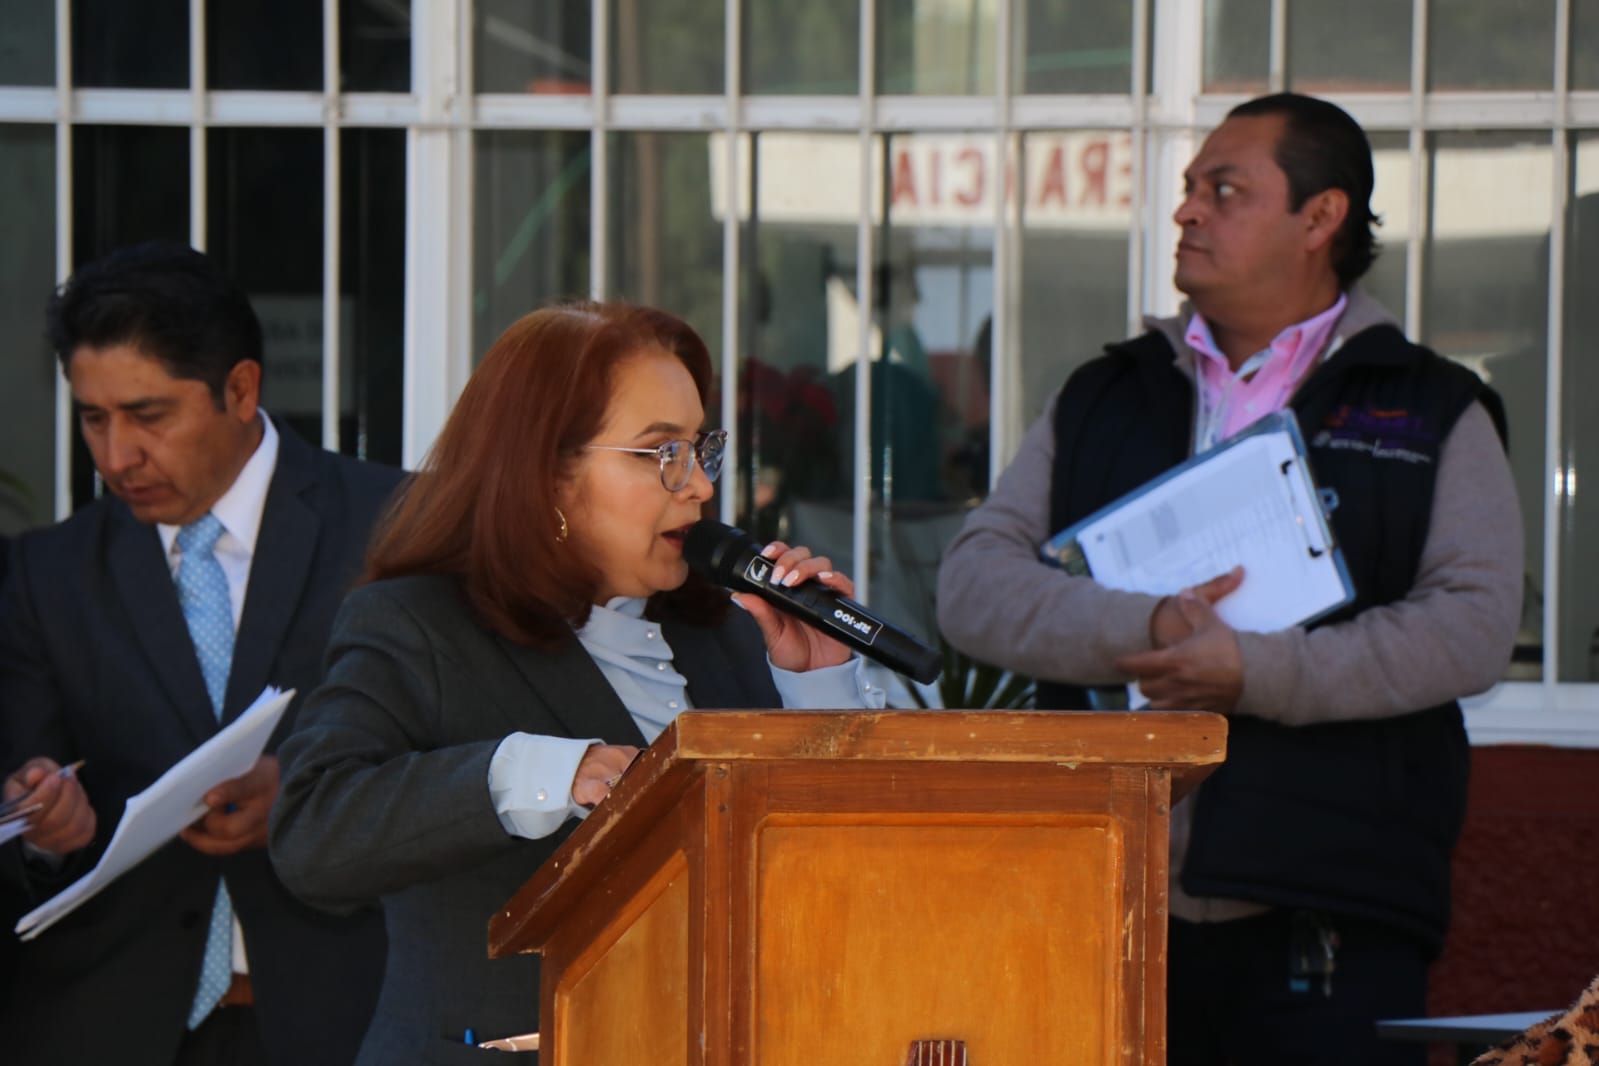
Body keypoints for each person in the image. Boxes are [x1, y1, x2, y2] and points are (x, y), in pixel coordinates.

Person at [936, 93, 1523, 1065]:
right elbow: (972, 586)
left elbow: (1472, 626)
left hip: (1326, 920)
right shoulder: (1106, 393)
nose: (1187, 212)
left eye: (1224, 189)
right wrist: (1147, 621)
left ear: (1320, 218)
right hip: (1092, 900)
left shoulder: (1431, 407)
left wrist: (1257, 672)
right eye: (1188, 189)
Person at [268, 301, 885, 1064]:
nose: (697, 486)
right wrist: (539, 772)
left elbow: (822, 885)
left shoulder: (725, 634)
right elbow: (313, 836)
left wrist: (817, 687)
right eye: (659, 453)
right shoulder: (417, 624)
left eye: (700, 448)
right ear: (548, 475)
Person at [0, 242, 400, 1066]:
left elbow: (462, 749)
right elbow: (26, 797)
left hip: (350, 1018)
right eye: (93, 418)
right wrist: (46, 828)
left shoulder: (397, 527)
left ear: (242, 390)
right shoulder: (47, 574)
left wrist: (307, 797)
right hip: (106, 1026)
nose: (116, 456)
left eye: (148, 417)